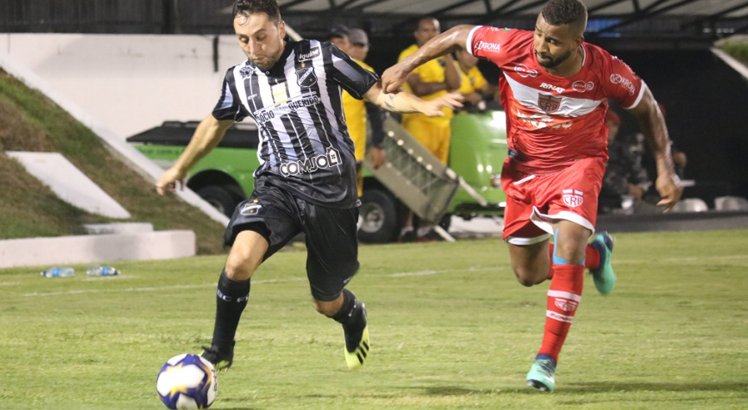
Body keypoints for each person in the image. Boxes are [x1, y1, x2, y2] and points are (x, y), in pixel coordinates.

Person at [382, 0, 682, 391]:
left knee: (568, 239)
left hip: (578, 164)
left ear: (578, 41)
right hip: (524, 170)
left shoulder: (606, 71)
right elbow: (457, 35)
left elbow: (647, 108)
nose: (541, 45)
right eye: (540, 33)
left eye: (554, 41)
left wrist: (665, 167)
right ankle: (596, 255)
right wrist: (406, 65)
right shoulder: (513, 46)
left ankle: (546, 361)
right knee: (529, 274)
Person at [156, 0, 461, 373]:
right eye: (243, 40)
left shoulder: (320, 56)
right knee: (238, 263)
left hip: (333, 192)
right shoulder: (240, 78)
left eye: (261, 37)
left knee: (326, 300)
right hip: (277, 186)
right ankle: (219, 352)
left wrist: (422, 105)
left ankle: (351, 315)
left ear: (281, 29)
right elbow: (214, 123)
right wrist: (179, 168)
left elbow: (378, 93)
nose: (254, 48)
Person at [397, 16, 462, 241]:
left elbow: (457, 84)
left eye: (435, 31)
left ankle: (425, 227)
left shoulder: (443, 58)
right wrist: (444, 85)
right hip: (419, 123)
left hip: (442, 124)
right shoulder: (409, 54)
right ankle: (406, 227)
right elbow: (419, 88)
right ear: (417, 34)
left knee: (436, 179)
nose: (430, 35)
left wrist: (447, 55)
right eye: (425, 31)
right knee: (414, 177)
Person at [340, 28, 386, 196]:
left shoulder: (367, 73)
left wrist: (378, 144)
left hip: (353, 147)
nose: (357, 49)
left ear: (367, 48)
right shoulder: (330, 66)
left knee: (351, 193)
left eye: (362, 45)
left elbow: (375, 112)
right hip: (327, 145)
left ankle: (353, 222)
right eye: (354, 44)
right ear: (346, 45)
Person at [598, 110, 654, 214]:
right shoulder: (590, 150)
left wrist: (641, 188)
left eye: (614, 126)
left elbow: (640, 173)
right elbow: (600, 176)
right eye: (607, 125)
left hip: (626, 202)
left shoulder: (623, 149)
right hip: (599, 204)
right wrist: (626, 188)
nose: (611, 129)